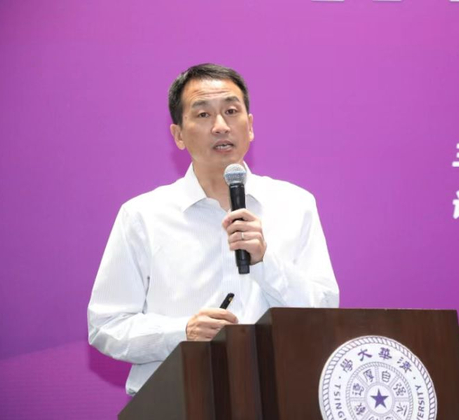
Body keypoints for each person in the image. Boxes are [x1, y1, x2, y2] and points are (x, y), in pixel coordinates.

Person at [87, 63, 339, 395]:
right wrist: (183, 332)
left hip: (280, 398)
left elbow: (323, 313)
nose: (221, 126)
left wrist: (266, 261)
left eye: (231, 111)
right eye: (203, 114)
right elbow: (107, 325)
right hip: (180, 402)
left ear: (250, 126)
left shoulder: (295, 204)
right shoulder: (143, 216)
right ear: (178, 135)